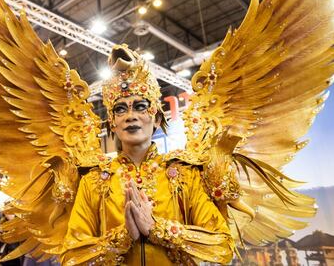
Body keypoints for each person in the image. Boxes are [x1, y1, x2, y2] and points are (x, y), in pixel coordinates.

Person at [58, 46, 235, 265]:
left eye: (140, 107)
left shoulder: (183, 175)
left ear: (157, 119)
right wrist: (123, 237)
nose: (130, 116)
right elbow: (70, 256)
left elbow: (222, 245)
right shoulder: (94, 180)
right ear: (112, 123)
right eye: (120, 109)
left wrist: (157, 229)